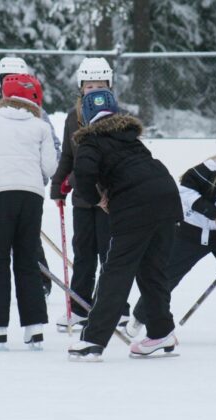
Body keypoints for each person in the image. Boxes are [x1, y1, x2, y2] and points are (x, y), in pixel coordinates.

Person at [66, 89, 183, 361]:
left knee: (116, 272)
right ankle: (161, 333)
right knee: (151, 271)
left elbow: (83, 173)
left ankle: (93, 340)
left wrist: (97, 199)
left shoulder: (91, 140)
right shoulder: (129, 137)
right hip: (167, 199)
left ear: (86, 116)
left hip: (136, 207)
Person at [129, 126, 216, 343]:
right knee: (166, 274)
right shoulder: (209, 167)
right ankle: (142, 317)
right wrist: (205, 208)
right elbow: (183, 189)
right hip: (190, 231)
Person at [0, 74, 58, 349]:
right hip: (31, 197)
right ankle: (34, 329)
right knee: (28, 260)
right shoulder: (41, 126)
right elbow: (50, 168)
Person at [49, 57, 129, 331]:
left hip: (110, 199)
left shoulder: (117, 117)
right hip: (83, 200)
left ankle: (117, 307)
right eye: (89, 85)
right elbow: (69, 157)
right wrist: (57, 183)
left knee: (110, 253)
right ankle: (80, 305)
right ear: (81, 87)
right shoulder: (74, 118)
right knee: (83, 252)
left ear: (109, 87)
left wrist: (72, 178)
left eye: (100, 85)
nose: (94, 90)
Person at [0, 56, 60, 296]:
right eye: (6, 80)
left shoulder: (37, 112)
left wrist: (39, 178)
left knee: (29, 241)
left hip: (28, 187)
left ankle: (41, 281)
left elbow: (52, 147)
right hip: (1, 185)